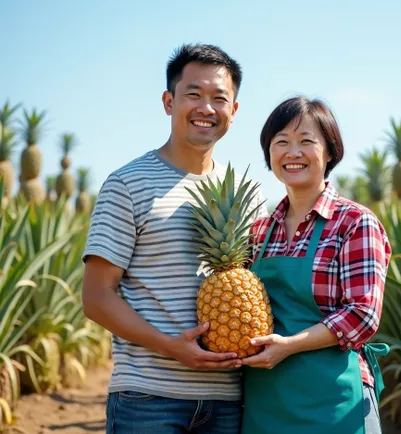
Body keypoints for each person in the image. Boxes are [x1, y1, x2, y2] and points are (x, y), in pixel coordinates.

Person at [81, 44, 266, 434]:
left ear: (234, 111)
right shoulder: (126, 183)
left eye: (220, 98)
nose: (206, 108)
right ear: (169, 101)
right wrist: (170, 346)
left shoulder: (247, 193)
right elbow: (96, 298)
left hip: (229, 400)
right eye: (193, 95)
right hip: (148, 398)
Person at [241, 96, 391, 434]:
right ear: (269, 153)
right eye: (281, 142)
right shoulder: (259, 231)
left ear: (330, 152)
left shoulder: (355, 222)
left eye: (306, 141)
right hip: (266, 399)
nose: (292, 152)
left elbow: (362, 315)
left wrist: (289, 346)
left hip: (334, 400)